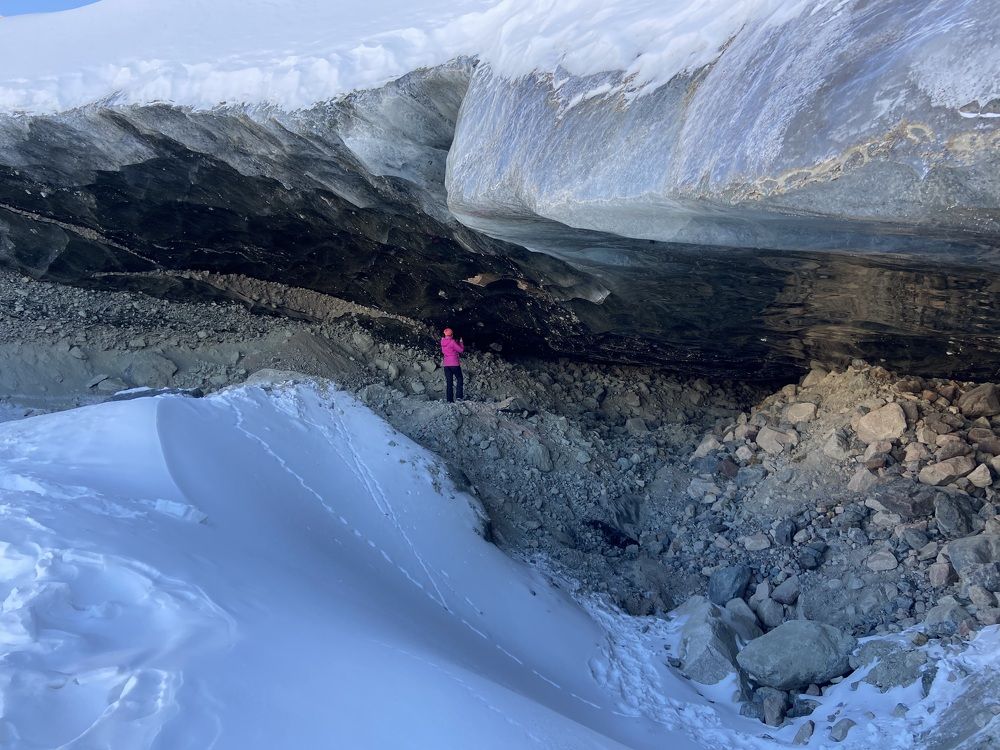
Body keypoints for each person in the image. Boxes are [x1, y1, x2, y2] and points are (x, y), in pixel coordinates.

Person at [440, 328, 464, 402]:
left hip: (446, 364)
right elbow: (461, 350)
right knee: (459, 378)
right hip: (454, 364)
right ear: (452, 335)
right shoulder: (452, 342)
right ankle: (459, 397)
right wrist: (461, 342)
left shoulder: (442, 341)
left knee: (449, 382)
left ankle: (449, 400)